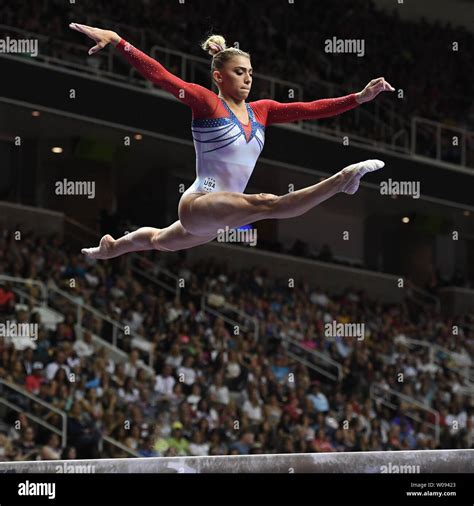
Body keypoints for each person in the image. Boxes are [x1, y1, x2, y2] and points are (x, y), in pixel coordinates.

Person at [69, 24, 394, 258]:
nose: (248, 78)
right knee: (268, 202)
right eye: (240, 72)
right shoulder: (207, 103)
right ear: (219, 77)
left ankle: (114, 246)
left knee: (157, 240)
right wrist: (117, 41)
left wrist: (358, 98)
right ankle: (343, 180)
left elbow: (308, 110)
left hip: (216, 219)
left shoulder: (262, 111)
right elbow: (161, 77)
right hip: (200, 202)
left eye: (250, 72)